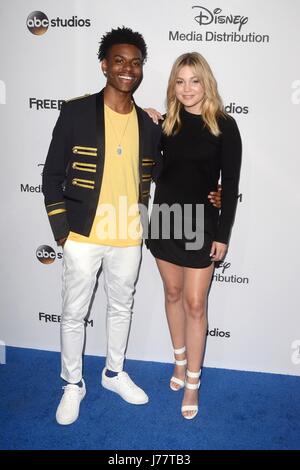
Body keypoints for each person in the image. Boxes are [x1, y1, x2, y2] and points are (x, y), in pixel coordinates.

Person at [43, 26, 221, 426]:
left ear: (142, 70)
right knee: (74, 313)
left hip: (131, 234)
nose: (127, 68)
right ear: (105, 65)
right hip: (83, 234)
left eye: (135, 63)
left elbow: (171, 173)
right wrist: (61, 232)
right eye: (119, 61)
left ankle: (113, 373)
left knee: (121, 307)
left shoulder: (149, 124)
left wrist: (217, 192)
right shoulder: (75, 112)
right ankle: (72, 384)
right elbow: (51, 174)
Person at [147, 52, 242, 420]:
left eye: (194, 80)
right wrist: (150, 126)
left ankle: (193, 382)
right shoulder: (164, 125)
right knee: (172, 293)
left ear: (206, 83)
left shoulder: (224, 125)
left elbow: (230, 185)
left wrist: (223, 233)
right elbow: (154, 171)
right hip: (166, 220)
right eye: (180, 81)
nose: (187, 88)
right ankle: (178, 361)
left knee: (195, 304)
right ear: (173, 84)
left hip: (200, 224)